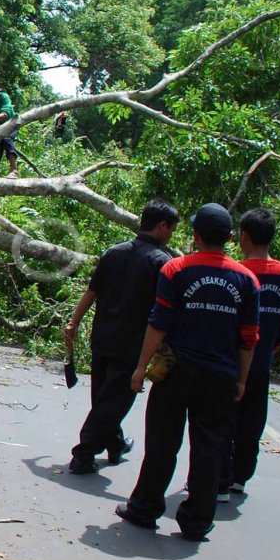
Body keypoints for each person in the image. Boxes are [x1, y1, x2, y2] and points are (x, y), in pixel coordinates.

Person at [116, 203, 261, 541]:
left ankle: (144, 509)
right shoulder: (247, 280)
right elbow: (248, 338)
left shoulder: (176, 269)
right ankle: (196, 521)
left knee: (162, 442)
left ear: (195, 235)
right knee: (209, 449)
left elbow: (158, 323)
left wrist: (140, 368)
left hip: (176, 371)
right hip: (220, 376)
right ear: (228, 239)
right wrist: (241, 379)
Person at [64, 200, 179, 475]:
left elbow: (92, 292)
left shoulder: (114, 252)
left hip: (102, 337)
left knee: (104, 398)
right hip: (133, 345)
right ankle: (83, 454)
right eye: (172, 229)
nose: (171, 235)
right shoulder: (163, 263)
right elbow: (165, 311)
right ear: (162, 226)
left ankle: (115, 445)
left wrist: (74, 322)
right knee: (114, 401)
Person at [217, 208, 280, 500]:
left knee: (224, 419)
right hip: (262, 361)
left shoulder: (235, 272)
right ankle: (240, 477)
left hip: (231, 360)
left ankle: (221, 478)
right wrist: (270, 347)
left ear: (243, 237)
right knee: (252, 421)